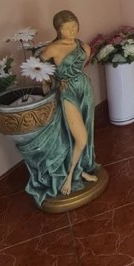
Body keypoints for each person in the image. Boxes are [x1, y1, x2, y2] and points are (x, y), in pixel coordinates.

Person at [39, 10, 99, 196]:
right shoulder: (52, 49)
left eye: (74, 26)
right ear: (58, 30)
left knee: (87, 130)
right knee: (80, 137)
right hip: (67, 92)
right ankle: (70, 175)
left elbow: (79, 68)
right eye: (67, 28)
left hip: (84, 89)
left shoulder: (84, 47)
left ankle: (81, 169)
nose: (72, 31)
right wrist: (53, 82)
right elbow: (40, 67)